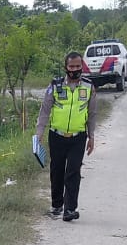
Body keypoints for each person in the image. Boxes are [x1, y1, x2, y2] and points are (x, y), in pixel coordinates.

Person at [35, 52, 97, 222]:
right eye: (71, 66)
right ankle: (57, 205)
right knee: (57, 171)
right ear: (65, 67)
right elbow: (44, 111)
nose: (74, 70)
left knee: (73, 172)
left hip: (78, 137)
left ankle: (70, 209)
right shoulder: (55, 86)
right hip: (57, 136)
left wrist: (91, 136)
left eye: (78, 66)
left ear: (82, 67)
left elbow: (92, 113)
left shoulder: (88, 87)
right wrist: (39, 134)